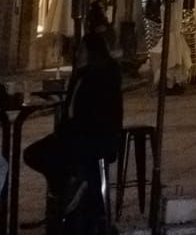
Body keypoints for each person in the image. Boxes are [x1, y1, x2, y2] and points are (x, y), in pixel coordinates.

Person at [23, 33, 123, 219]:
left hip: (94, 138)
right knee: (35, 154)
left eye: (82, 50)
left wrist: (67, 132)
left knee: (61, 156)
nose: (78, 54)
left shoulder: (101, 77)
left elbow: (92, 117)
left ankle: (70, 192)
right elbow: (73, 111)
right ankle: (68, 188)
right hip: (77, 135)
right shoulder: (82, 75)